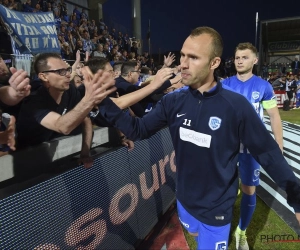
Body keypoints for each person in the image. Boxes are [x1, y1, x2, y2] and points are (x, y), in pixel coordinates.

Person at [98, 26, 300, 250]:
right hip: (184, 201)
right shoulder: (173, 101)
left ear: (214, 63)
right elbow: (139, 130)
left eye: (193, 57)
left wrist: (297, 199)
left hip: (217, 209)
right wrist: (102, 102)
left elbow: (268, 153)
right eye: (183, 55)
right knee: (194, 233)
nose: (183, 63)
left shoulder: (236, 106)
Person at [221, 42, 283, 250]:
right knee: (222, 189)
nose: (239, 60)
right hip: (227, 148)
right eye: (237, 57)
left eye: (244, 57)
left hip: (251, 150)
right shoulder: (226, 84)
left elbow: (274, 116)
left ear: (255, 60)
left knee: (249, 190)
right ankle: (219, 227)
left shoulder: (263, 86)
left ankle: (241, 232)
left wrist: (279, 147)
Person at [16, 53, 116, 168]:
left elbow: (86, 120)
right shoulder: (34, 98)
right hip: (26, 161)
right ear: (44, 76)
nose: (68, 74)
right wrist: (89, 100)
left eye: (68, 70)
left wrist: (85, 153)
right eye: (61, 72)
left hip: (53, 155)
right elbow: (62, 127)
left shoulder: (70, 91)